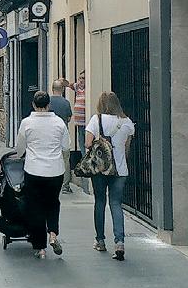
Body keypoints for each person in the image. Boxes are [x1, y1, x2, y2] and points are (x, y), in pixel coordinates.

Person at [14, 91, 69, 259]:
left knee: (35, 207)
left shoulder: (27, 123)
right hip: (55, 171)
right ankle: (53, 233)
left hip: (34, 170)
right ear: (48, 105)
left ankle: (40, 247)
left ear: (33, 105)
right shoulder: (59, 122)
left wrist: (22, 155)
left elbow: (20, 148)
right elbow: (66, 146)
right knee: (53, 203)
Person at [85, 92, 135, 261]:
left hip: (100, 169)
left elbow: (87, 143)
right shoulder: (127, 122)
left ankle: (100, 240)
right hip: (120, 170)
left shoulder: (96, 120)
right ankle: (119, 242)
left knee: (100, 202)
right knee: (116, 204)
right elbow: (127, 148)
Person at [50, 79, 75, 192]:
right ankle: (65, 185)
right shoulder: (66, 103)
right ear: (63, 89)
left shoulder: (48, 102)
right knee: (65, 159)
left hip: (50, 135)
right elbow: (69, 118)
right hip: (63, 135)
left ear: (52, 89)